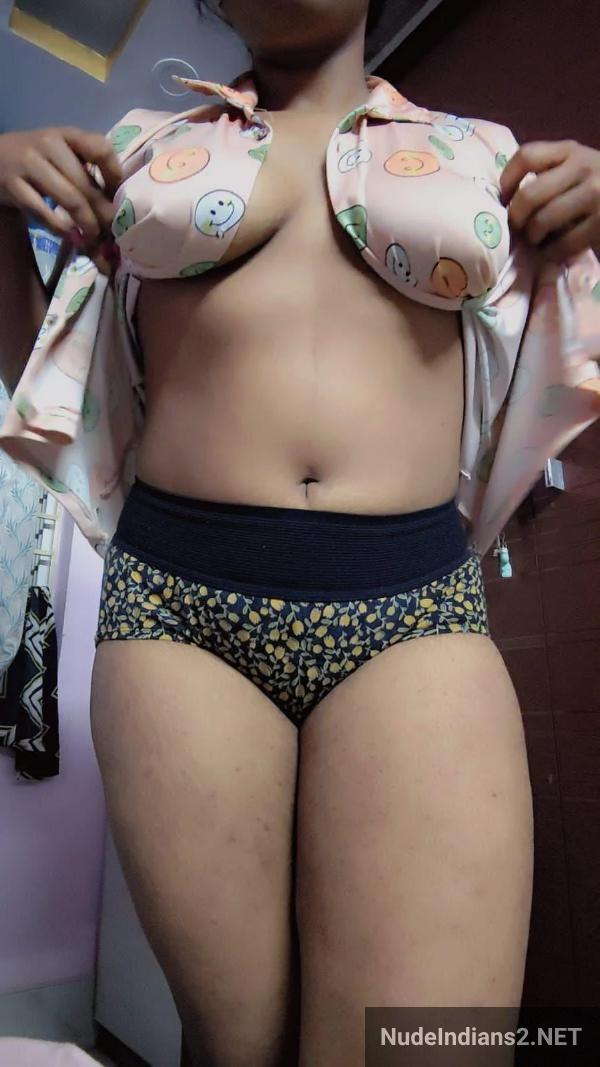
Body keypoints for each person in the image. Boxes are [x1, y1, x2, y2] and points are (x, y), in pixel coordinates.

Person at [1, 1, 599, 1064]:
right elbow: (41, 373)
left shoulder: (481, 154)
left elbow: (564, 370)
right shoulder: (146, 143)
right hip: (179, 610)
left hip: (412, 606)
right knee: (236, 1045)